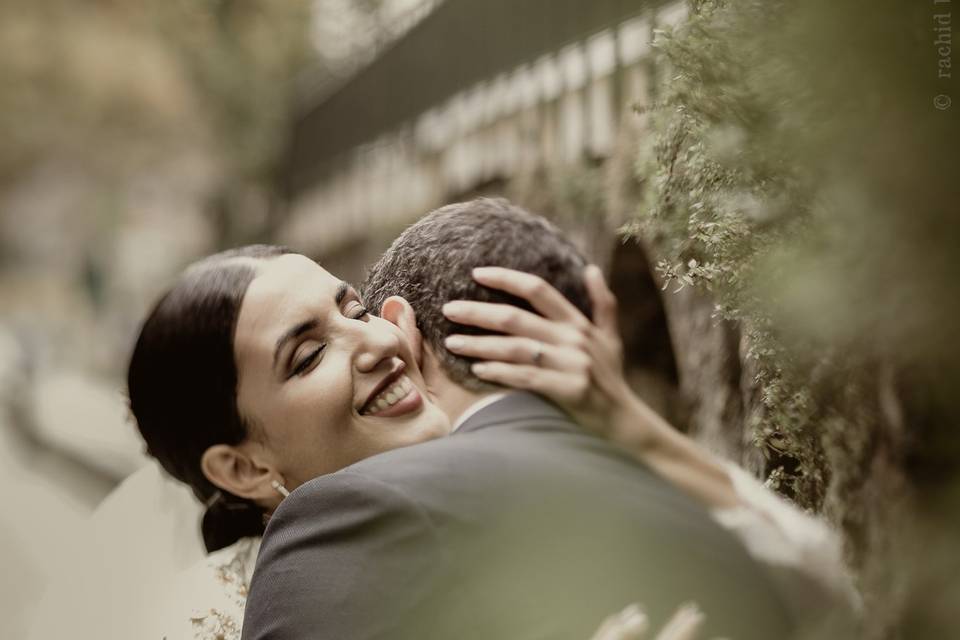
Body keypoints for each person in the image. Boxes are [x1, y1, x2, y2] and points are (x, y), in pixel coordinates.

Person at [122, 200, 849, 640]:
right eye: (309, 356)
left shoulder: (546, 495)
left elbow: (826, 599)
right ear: (243, 466)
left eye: (354, 309)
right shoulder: (226, 608)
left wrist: (632, 427)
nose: (378, 340)